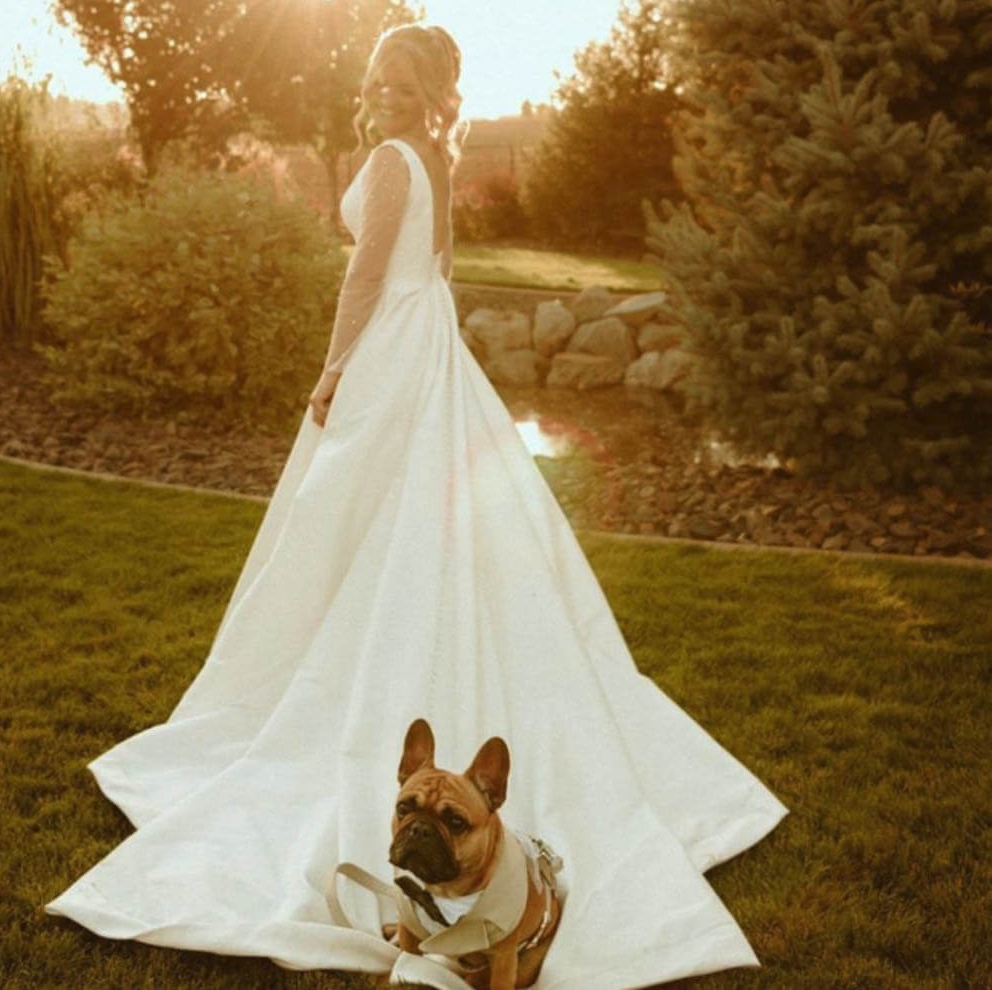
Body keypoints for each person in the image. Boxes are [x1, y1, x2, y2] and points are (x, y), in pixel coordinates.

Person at [46, 24, 787, 990]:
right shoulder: (437, 152)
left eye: (401, 83)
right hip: (427, 344)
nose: (386, 94)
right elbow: (433, 276)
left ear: (421, 92)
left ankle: (343, 681)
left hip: (395, 351)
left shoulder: (396, 158)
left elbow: (367, 276)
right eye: (381, 80)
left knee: (354, 529)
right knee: (393, 528)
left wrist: (334, 369)